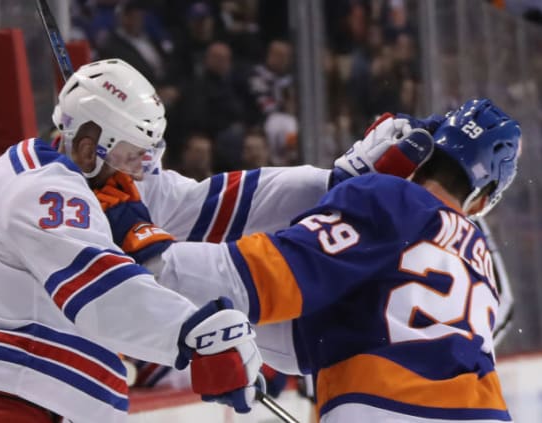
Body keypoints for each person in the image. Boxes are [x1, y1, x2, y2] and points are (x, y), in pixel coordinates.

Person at [99, 98, 520, 422]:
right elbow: (304, 344)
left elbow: (266, 278)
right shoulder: (476, 251)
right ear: (481, 201)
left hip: (383, 408)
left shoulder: (386, 196)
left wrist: (152, 254)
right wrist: (234, 344)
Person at [0, 59, 262, 422]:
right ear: (86, 148)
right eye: (129, 155)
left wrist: (319, 186)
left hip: (46, 403)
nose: (136, 173)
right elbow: (102, 293)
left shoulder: (96, 196)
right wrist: (196, 334)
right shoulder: (39, 183)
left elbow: (208, 203)